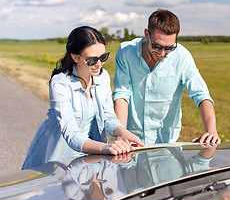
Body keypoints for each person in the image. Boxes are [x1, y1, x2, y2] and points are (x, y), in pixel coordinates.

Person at [22, 26, 143, 170]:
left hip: (90, 158)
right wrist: (106, 148)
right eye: (92, 60)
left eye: (103, 57)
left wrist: (123, 133)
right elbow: (71, 134)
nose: (99, 64)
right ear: (75, 57)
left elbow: (108, 117)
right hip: (56, 160)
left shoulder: (102, 76)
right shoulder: (60, 83)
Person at [113, 9, 221, 145]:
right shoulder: (126, 52)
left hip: (166, 142)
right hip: (132, 142)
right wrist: (120, 137)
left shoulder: (182, 56)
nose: (162, 53)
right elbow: (122, 94)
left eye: (169, 48)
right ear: (147, 34)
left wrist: (211, 131)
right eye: (156, 46)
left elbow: (201, 94)